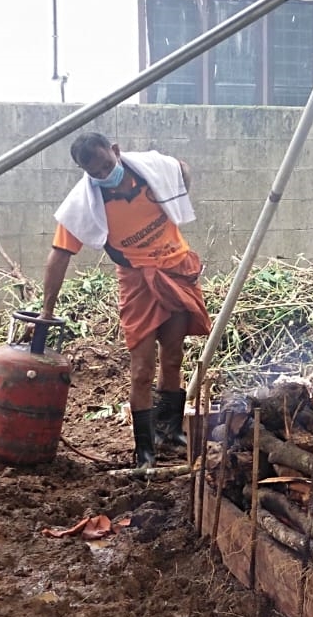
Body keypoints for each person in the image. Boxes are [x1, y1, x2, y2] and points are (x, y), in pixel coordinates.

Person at [41, 132, 211, 468]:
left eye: (108, 165)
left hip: (175, 267)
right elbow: (59, 255)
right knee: (142, 370)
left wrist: (176, 199)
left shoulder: (151, 169)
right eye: (96, 172)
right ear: (84, 171)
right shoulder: (84, 204)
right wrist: (47, 308)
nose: (105, 174)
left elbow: (183, 169)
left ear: (115, 151)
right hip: (137, 281)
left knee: (174, 355)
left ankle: (169, 429)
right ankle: (144, 449)